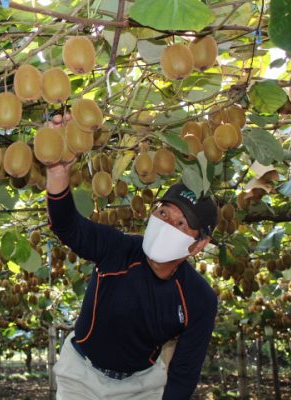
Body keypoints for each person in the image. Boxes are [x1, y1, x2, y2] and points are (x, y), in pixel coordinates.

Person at [46, 114, 218, 399]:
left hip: (141, 387)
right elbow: (67, 227)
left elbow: (184, 373)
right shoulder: (118, 248)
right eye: (163, 213)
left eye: (180, 224)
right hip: (81, 376)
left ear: (199, 244)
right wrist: (57, 172)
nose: (166, 225)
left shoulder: (199, 298)